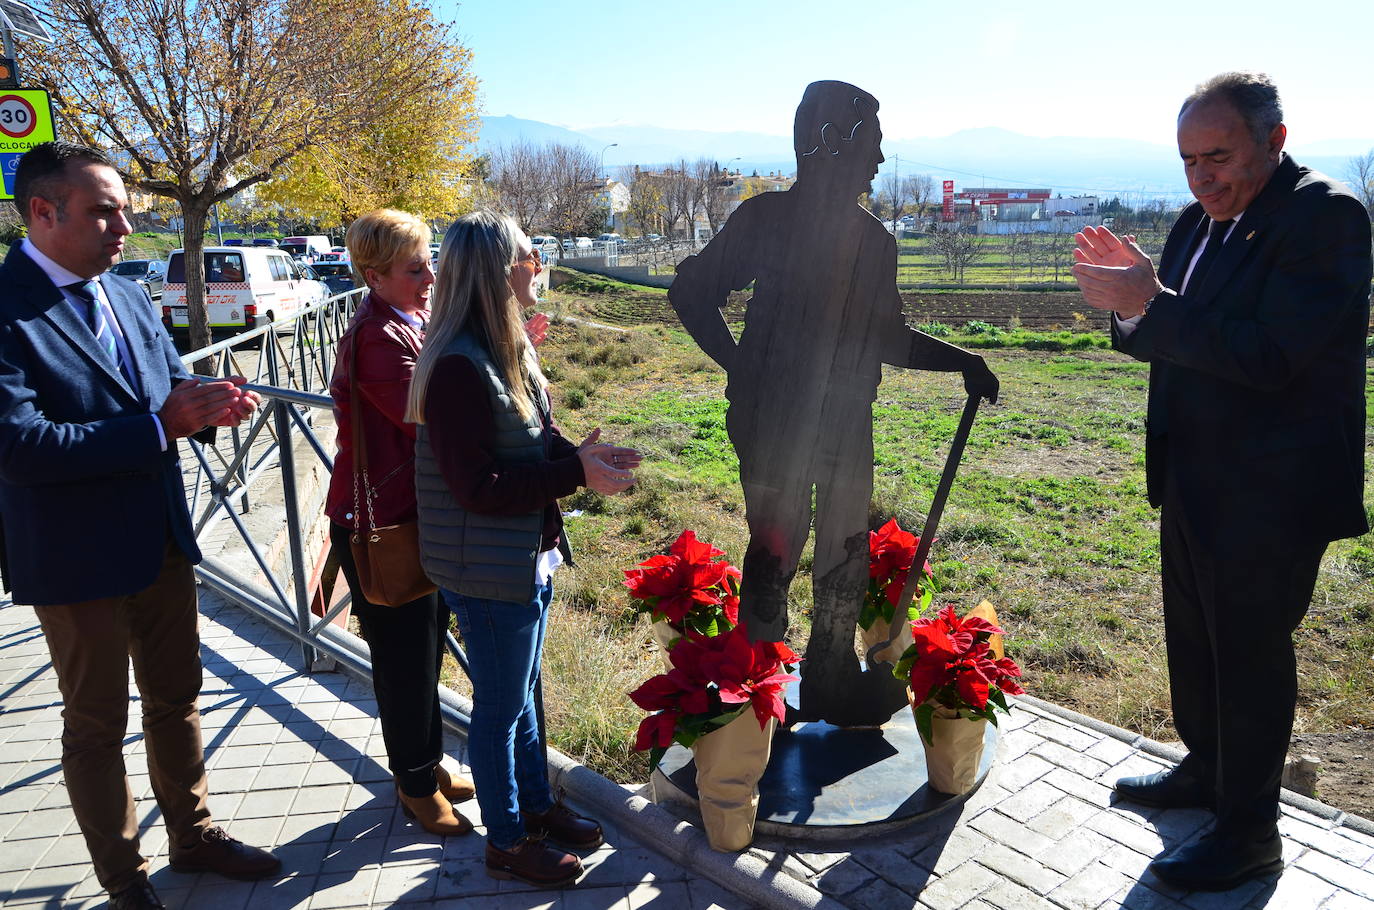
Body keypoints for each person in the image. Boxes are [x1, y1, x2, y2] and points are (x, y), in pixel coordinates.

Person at [1072, 72, 1371, 891]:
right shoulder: (1193, 222)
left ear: (1275, 141)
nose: (1202, 177)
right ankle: (1206, 771)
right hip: (1194, 473)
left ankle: (1249, 835)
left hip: (1274, 491)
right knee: (1196, 642)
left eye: (1219, 156)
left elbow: (1272, 356)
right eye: (1189, 160)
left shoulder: (1326, 217)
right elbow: (1161, 334)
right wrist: (1128, 307)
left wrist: (1153, 304)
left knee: (1248, 660)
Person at [0, 141, 278, 909]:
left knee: (177, 696)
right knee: (96, 723)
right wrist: (160, 428)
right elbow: (18, 447)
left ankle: (194, 836)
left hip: (159, 539)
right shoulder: (6, 308)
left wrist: (209, 402)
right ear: (43, 212)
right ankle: (124, 879)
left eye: (126, 210)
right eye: (104, 212)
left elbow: (165, 384)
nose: (125, 227)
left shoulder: (124, 293)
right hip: (75, 556)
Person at [669, 81, 998, 726]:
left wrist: (963, 361)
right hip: (776, 421)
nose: (879, 160)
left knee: (846, 544)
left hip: (846, 418)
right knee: (774, 547)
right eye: (871, 144)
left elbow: (887, 337)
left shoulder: (873, 241)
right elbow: (692, 292)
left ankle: (829, 670)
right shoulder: (766, 220)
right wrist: (743, 368)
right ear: (833, 143)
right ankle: (758, 684)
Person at [408, 211, 640, 888]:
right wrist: (574, 474)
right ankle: (507, 841)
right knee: (500, 710)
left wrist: (582, 457)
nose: (540, 265)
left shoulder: (500, 347)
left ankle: (536, 805)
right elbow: (478, 487)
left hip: (519, 557)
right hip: (485, 568)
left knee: (524, 695)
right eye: (530, 254)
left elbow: (532, 437)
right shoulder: (457, 366)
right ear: (499, 270)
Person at [325, 209, 479, 837]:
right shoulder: (377, 338)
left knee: (425, 647)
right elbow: (431, 415)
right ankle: (415, 783)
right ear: (374, 275)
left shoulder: (407, 323)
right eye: (415, 269)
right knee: (403, 657)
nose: (430, 278)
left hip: (410, 516)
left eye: (429, 263)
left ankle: (426, 763)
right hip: (383, 523)